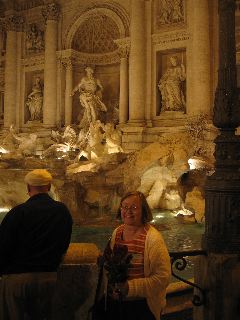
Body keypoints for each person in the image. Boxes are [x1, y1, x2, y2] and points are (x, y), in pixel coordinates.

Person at [0, 169, 73, 320]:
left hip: (17, 280)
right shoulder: (62, 211)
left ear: (28, 188)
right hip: (49, 279)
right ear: (49, 186)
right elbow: (64, 244)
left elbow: (3, 246)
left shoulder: (17, 212)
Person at [95, 191, 171, 320]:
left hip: (141, 307)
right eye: (124, 207)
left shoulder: (153, 238)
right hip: (115, 304)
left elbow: (163, 278)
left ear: (144, 211)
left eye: (134, 208)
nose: (128, 211)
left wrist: (130, 288)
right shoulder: (117, 232)